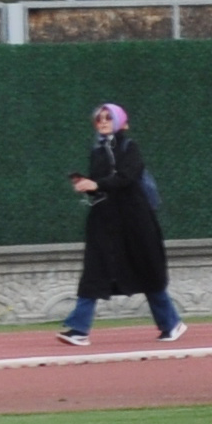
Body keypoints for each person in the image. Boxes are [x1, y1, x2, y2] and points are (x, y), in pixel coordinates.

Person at [59, 103, 185, 345]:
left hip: (134, 221)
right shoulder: (96, 151)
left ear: (120, 122)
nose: (103, 122)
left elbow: (127, 177)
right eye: (99, 119)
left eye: (109, 118)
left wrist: (96, 185)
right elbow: (102, 184)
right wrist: (86, 185)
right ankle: (79, 329)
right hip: (104, 221)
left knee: (147, 270)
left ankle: (171, 323)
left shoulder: (129, 147)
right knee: (94, 270)